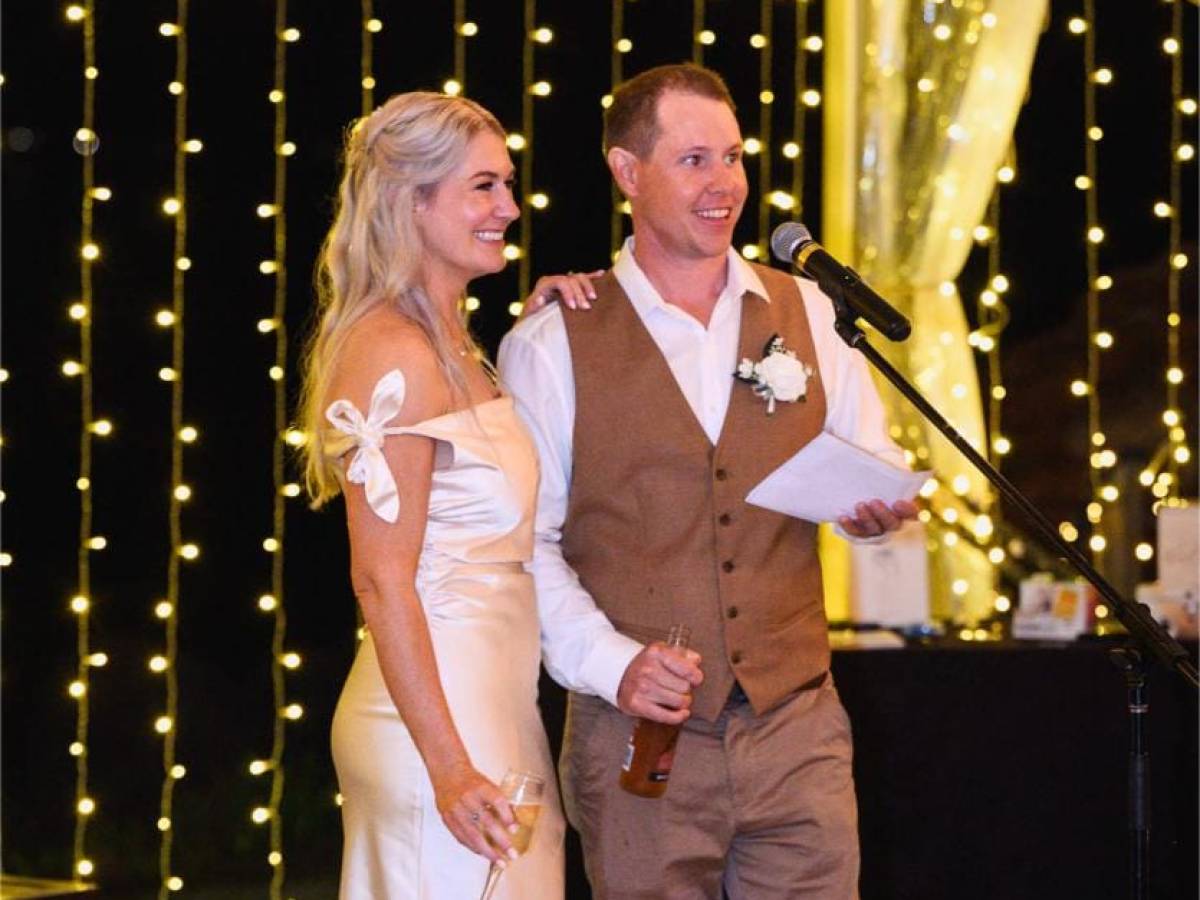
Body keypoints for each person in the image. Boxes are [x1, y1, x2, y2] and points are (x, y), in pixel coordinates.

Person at [499, 63, 918, 898]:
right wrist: (615, 664)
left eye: (732, 157)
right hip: (636, 740)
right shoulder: (551, 345)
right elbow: (527, 547)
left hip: (798, 732)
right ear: (628, 172)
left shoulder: (811, 315)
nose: (724, 183)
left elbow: (874, 463)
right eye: (694, 160)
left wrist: (877, 515)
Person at [298, 91, 603, 899]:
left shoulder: (459, 346)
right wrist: (448, 768)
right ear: (412, 200)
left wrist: (537, 336)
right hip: (434, 729)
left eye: (507, 184)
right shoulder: (390, 352)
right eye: (483, 187)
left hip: (497, 708)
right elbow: (380, 578)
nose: (509, 207)